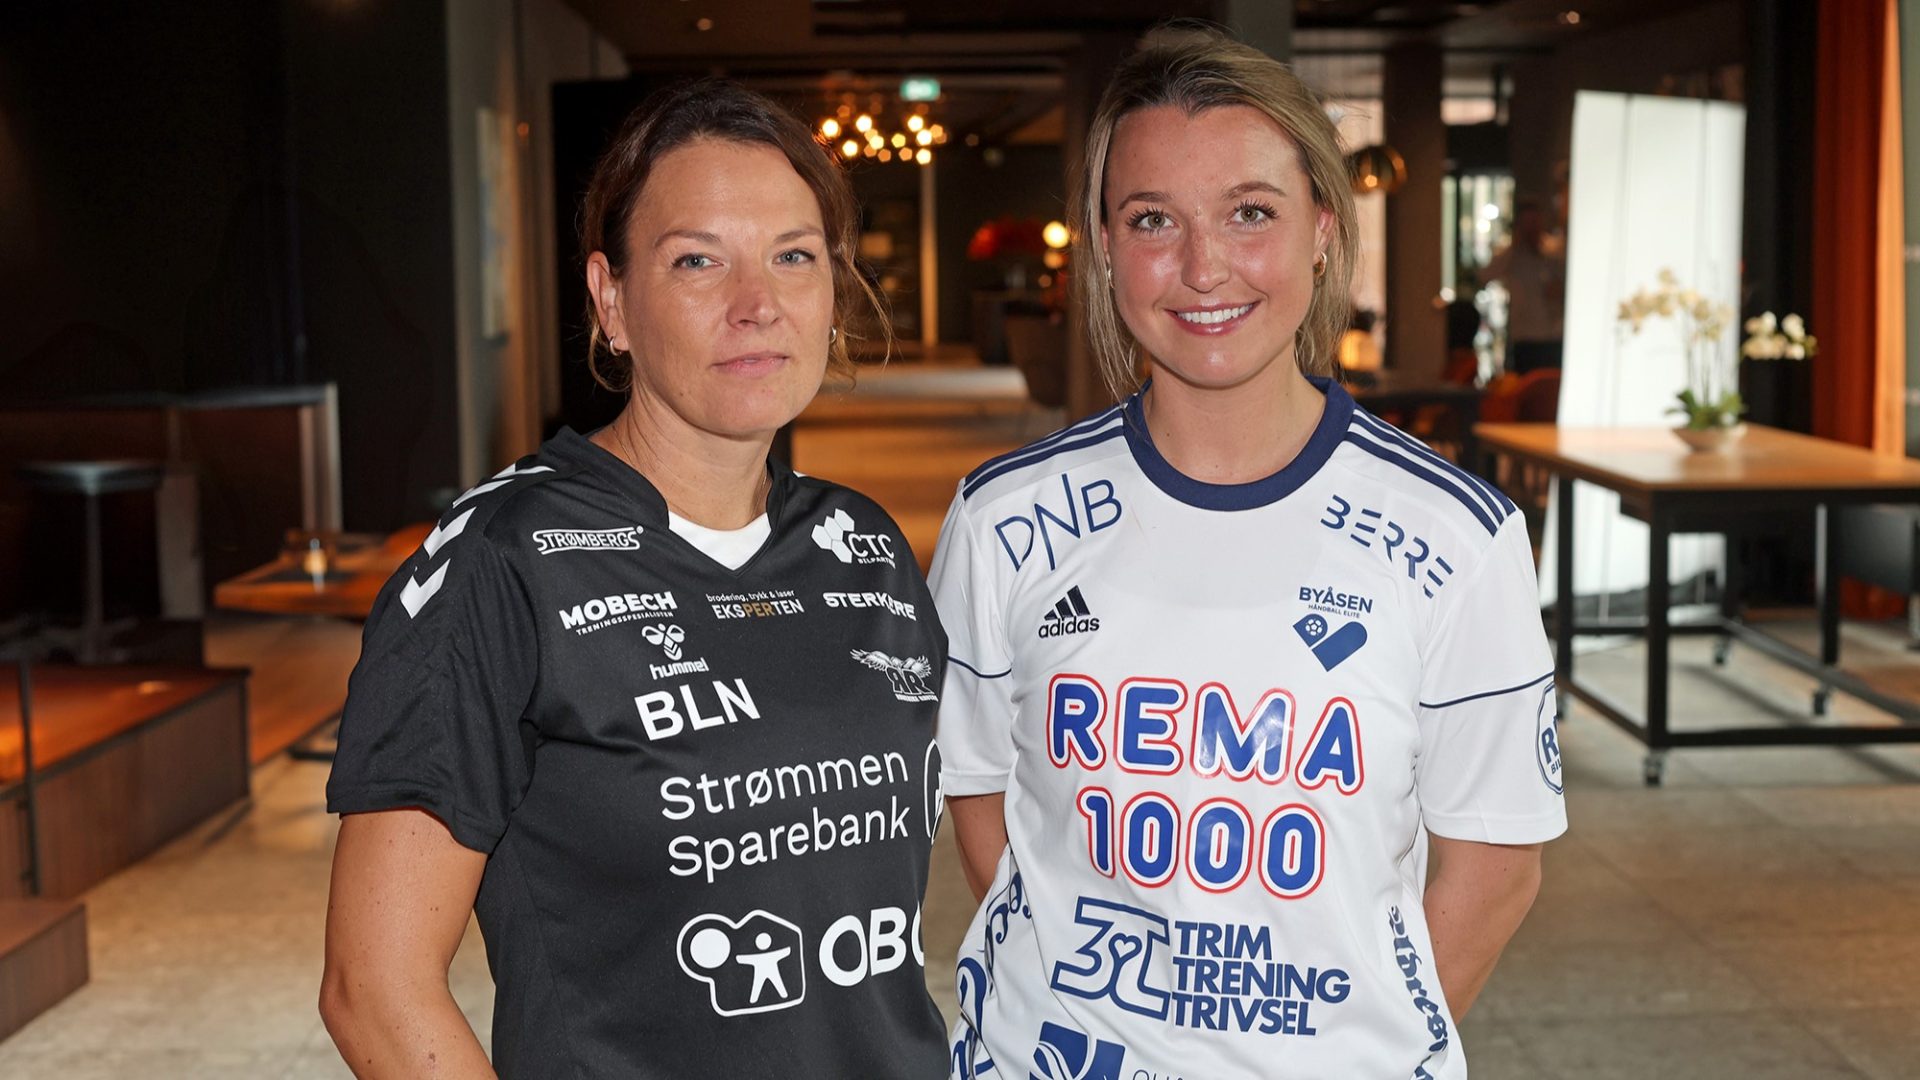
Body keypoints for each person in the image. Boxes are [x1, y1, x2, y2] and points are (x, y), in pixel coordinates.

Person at [931, 27, 1564, 1080]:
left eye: (1250, 213)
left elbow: (1495, 867)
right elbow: (983, 796)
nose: (1203, 267)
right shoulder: (1004, 520)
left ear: (1322, 228)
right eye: (1152, 220)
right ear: (1104, 246)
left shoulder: (1457, 537)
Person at [320, 78, 949, 1078]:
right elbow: (374, 989)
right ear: (610, 301)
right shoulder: (501, 560)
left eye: (793, 256)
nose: (757, 305)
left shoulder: (864, 545)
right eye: (698, 260)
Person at [1482, 199, 1565, 374]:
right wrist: (1514, 246)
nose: (1532, 228)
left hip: (1553, 334)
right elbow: (1485, 276)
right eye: (1527, 223)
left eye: (1535, 222)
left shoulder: (1555, 250)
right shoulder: (1511, 254)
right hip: (1525, 335)